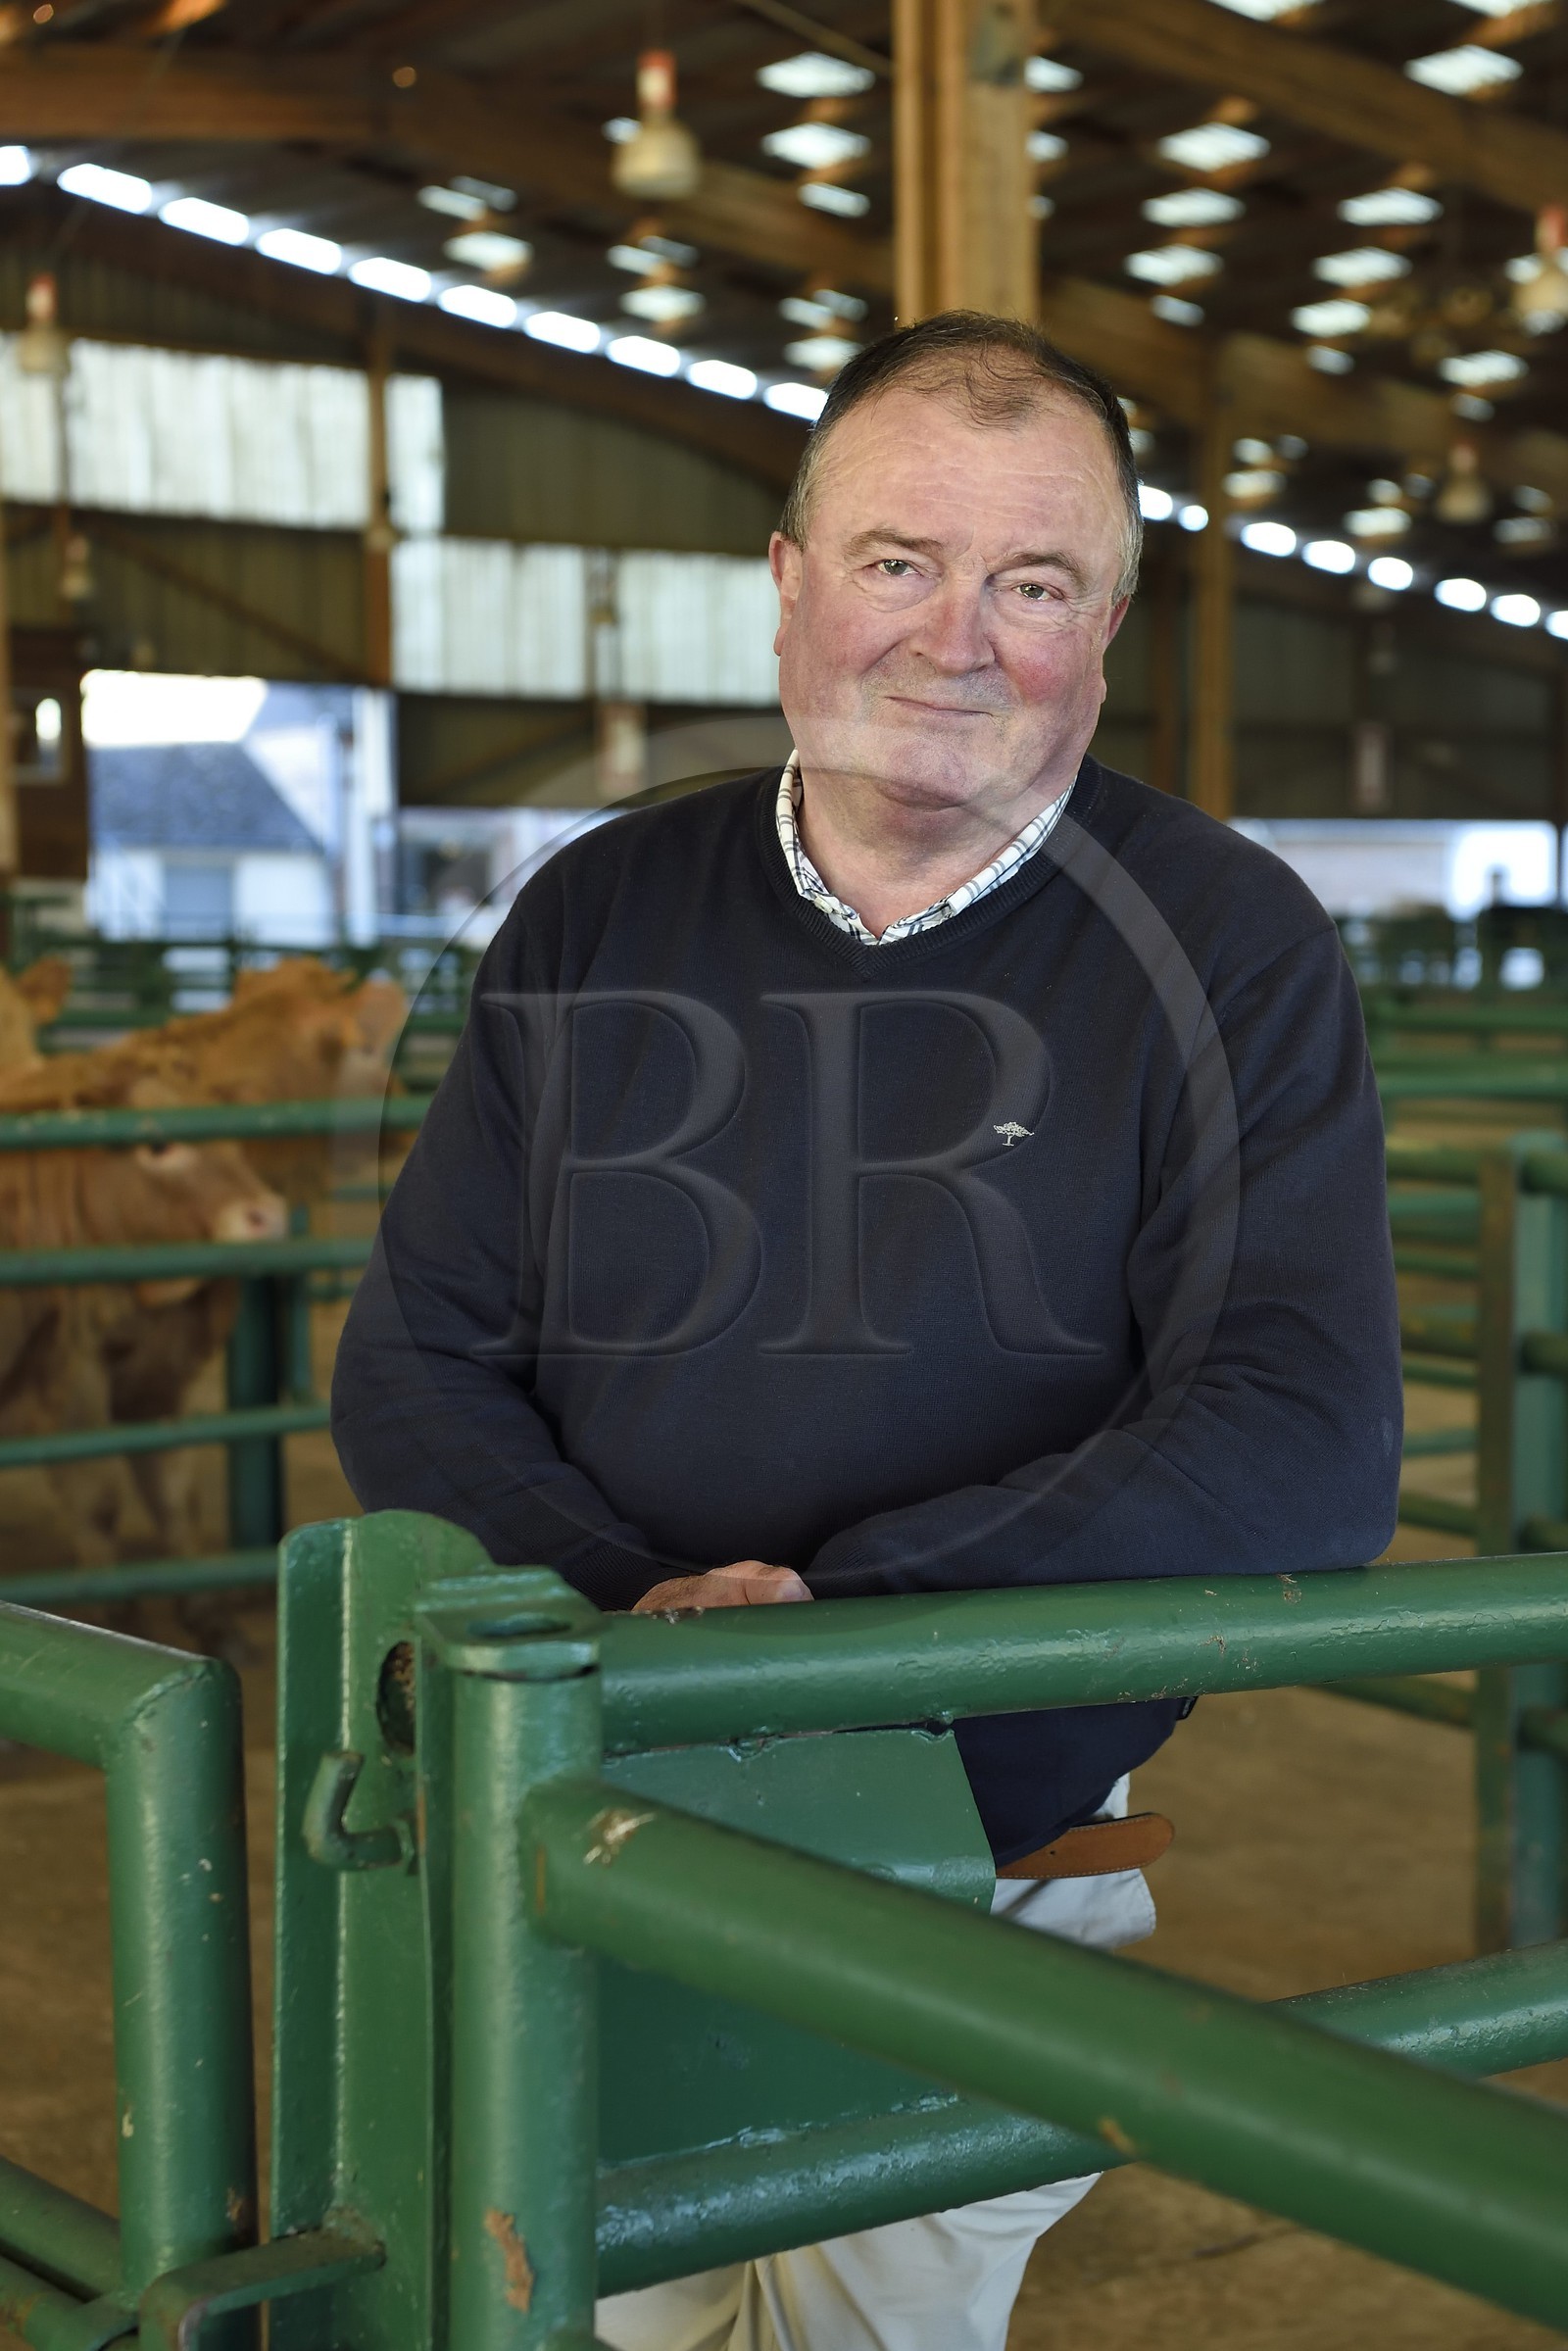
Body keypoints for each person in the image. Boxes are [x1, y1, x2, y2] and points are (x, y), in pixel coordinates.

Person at [331, 311, 1402, 2351]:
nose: (957, 638)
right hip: (589, 1797)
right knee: (597, 2321)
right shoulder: (592, 914)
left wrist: (827, 1623)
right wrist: (640, 1609)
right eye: (901, 562)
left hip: (973, 1835)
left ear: (1102, 630)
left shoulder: (1226, 940)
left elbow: (1300, 1427)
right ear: (789, 586)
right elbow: (415, 1355)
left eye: (1032, 583)